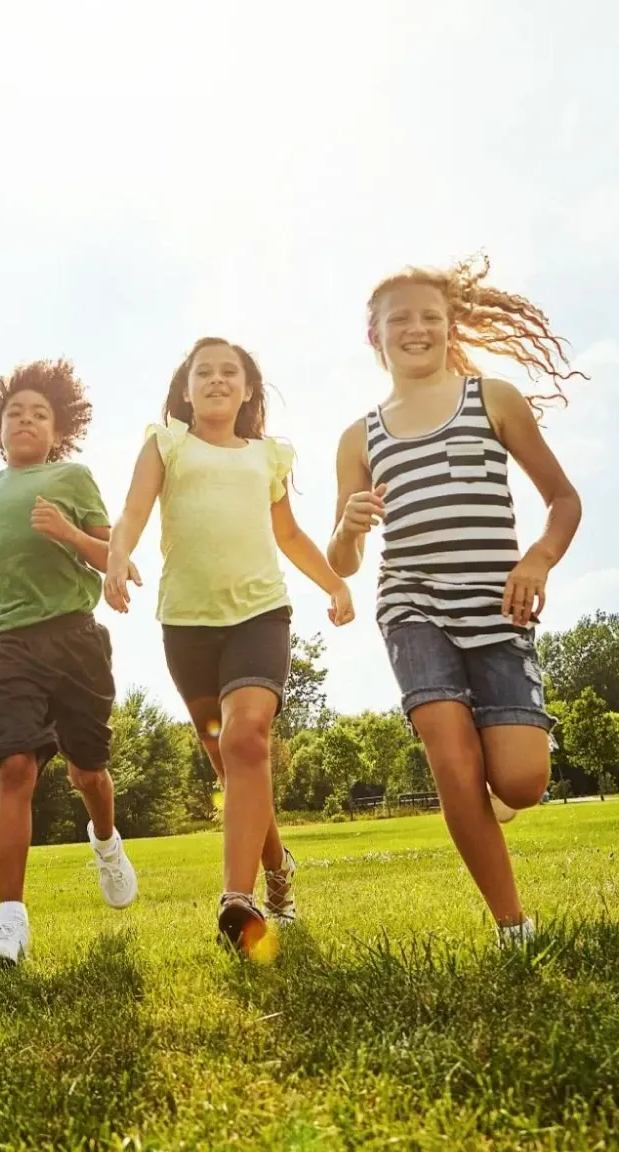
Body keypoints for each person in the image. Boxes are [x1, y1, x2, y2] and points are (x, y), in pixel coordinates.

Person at [327, 260, 582, 948]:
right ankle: (512, 926)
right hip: (412, 607)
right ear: (374, 336)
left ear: (450, 326)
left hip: (498, 607)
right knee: (452, 761)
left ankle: (498, 802)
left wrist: (537, 559)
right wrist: (347, 531)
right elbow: (341, 560)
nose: (416, 327)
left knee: (523, 781)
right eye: (399, 318)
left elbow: (563, 498)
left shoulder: (490, 398)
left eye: (429, 316)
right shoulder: (361, 436)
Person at [104, 338, 353, 958]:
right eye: (203, 372)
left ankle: (236, 898)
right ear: (185, 390)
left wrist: (333, 582)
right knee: (232, 766)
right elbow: (135, 510)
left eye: (229, 372)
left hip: (260, 614)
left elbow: (288, 532)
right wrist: (116, 553)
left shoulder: (267, 456)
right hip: (187, 626)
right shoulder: (166, 443)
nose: (216, 380)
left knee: (247, 741)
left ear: (248, 391)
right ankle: (279, 875)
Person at [0, 359, 138, 968]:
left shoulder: (73, 477)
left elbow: (113, 557)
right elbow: (4, 569)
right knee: (14, 766)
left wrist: (70, 533)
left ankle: (104, 842)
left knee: (87, 773)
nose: (25, 420)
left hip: (75, 638)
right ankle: (9, 918)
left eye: (38, 413)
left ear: (57, 429)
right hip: (10, 643)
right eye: (15, 413)